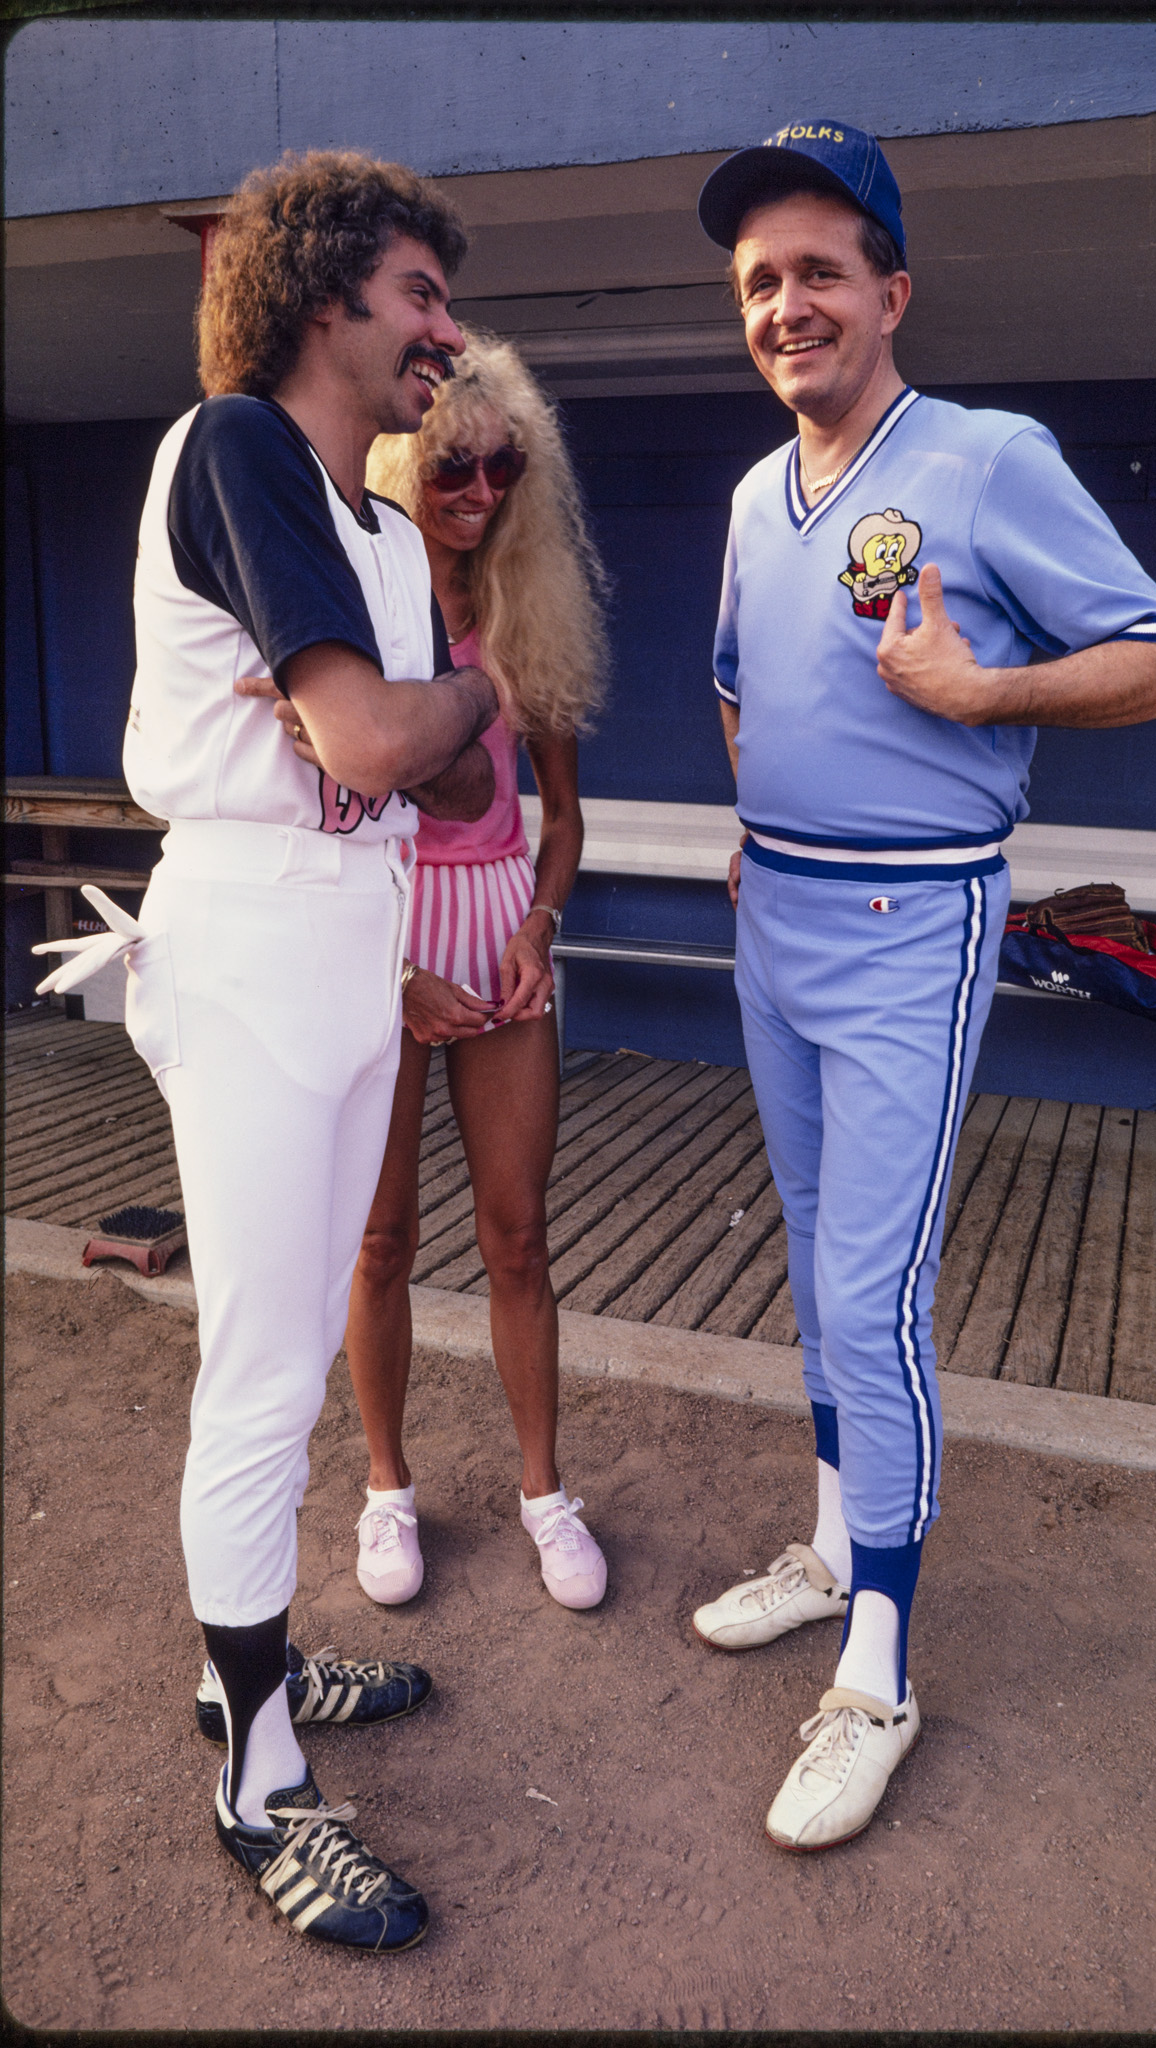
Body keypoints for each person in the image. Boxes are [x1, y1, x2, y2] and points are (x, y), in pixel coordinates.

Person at [689, 120, 1156, 1851]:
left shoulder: (985, 457)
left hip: (918, 918)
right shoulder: (755, 496)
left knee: (871, 1282)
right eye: (759, 280)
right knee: (816, 1250)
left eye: (819, 270)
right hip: (781, 920)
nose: (787, 304)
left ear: (891, 289)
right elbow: (737, 684)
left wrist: (980, 699)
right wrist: (757, 825)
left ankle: (879, 1665)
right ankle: (830, 1544)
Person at [38, 149, 499, 1951]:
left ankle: (267, 1668)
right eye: (417, 298)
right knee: (261, 1368)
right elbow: (407, 741)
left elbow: (434, 764)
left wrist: (422, 716)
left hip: (346, 932)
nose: (443, 336)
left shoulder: (372, 520)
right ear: (325, 298)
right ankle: (254, 1773)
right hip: (248, 928)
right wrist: (437, 708)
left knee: (301, 1349)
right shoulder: (233, 442)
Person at [343, 333, 610, 1611]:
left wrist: (539, 925)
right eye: (457, 460)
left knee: (517, 1237)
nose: (482, 488)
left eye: (506, 464)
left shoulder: (526, 613)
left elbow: (560, 815)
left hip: (501, 932)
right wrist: (393, 971)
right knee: (380, 1236)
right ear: (407, 457)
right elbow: (319, 814)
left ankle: (545, 1495)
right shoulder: (356, 608)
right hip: (371, 934)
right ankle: (387, 1487)